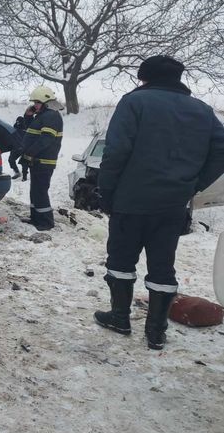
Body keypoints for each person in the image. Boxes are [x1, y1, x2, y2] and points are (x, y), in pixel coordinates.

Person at [94, 55, 224, 350]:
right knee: (163, 266)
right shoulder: (203, 111)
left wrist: (107, 191)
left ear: (145, 78)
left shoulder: (134, 103)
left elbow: (116, 151)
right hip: (173, 204)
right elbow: (220, 151)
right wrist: (193, 184)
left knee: (121, 261)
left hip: (131, 200)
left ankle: (119, 317)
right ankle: (156, 331)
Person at [19, 85, 64, 231]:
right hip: (37, 160)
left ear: (45, 102)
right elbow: (30, 131)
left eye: (37, 103)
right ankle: (36, 218)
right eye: (34, 103)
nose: (35, 105)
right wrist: (28, 116)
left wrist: (29, 153)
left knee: (40, 191)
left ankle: (46, 222)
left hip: (44, 161)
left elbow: (46, 140)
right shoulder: (43, 115)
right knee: (35, 190)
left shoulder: (51, 116)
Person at [8, 112, 32, 181]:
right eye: (17, 122)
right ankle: (17, 172)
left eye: (19, 122)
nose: (18, 123)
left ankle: (24, 176)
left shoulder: (27, 129)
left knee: (25, 162)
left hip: (25, 148)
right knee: (11, 160)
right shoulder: (14, 129)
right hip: (16, 148)